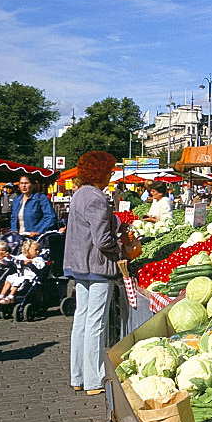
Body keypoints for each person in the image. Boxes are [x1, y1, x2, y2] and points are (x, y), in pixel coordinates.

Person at [64, 151, 122, 396]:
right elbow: (102, 240)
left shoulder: (79, 194)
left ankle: (77, 376)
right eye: (109, 171)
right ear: (101, 172)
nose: (110, 175)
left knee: (81, 320)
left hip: (79, 265)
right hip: (97, 266)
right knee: (96, 323)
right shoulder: (97, 198)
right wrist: (120, 247)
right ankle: (95, 379)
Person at [0, 238, 46, 304]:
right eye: (36, 250)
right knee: (10, 277)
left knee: (19, 279)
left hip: (31, 277)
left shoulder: (38, 259)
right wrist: (9, 257)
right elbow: (15, 258)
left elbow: (40, 266)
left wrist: (31, 263)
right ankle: (1, 295)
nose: (38, 251)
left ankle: (11, 296)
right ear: (28, 250)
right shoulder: (22, 256)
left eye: (39, 250)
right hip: (21, 275)